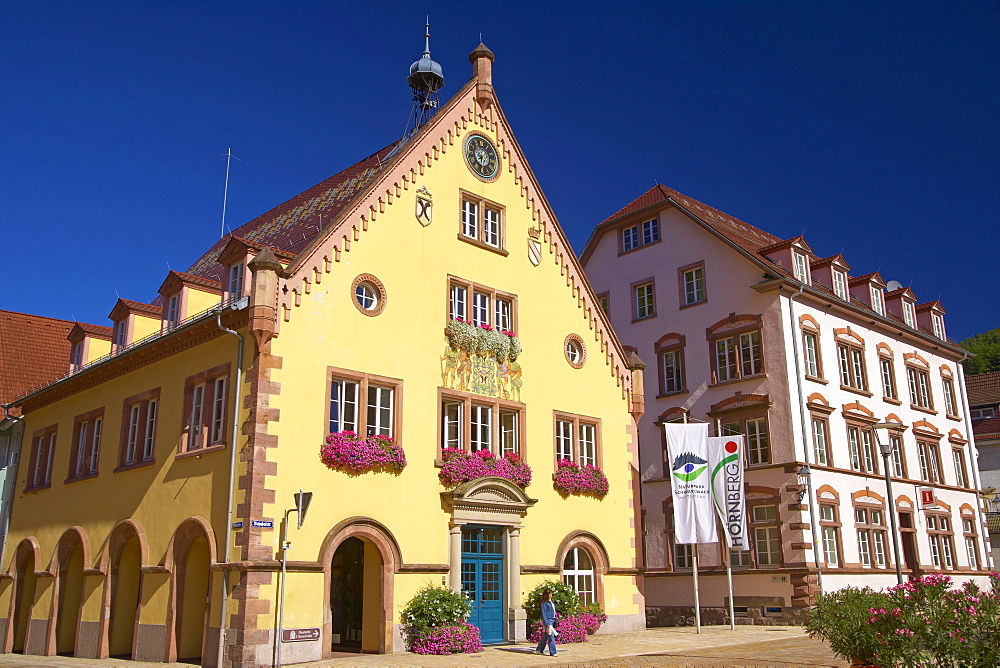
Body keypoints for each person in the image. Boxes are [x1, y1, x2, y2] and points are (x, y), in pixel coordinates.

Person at [534, 588, 558, 656]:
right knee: (551, 636)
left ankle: (539, 650)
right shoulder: (544, 604)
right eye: (550, 594)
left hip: (553, 620)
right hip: (548, 621)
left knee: (546, 636)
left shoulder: (552, 602)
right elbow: (544, 614)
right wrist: (547, 624)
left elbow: (554, 611)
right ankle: (553, 652)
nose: (551, 595)